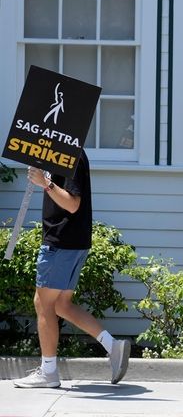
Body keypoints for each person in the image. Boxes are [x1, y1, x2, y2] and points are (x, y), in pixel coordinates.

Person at [13, 151, 130, 388]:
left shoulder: (69, 153)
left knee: (43, 303)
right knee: (60, 304)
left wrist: (45, 183)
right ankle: (112, 346)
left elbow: (73, 203)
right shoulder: (58, 153)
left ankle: (48, 373)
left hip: (62, 242)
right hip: (71, 242)